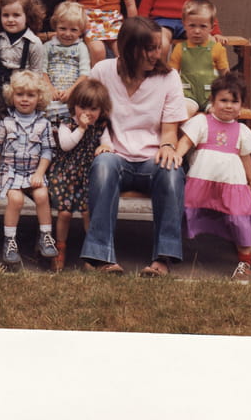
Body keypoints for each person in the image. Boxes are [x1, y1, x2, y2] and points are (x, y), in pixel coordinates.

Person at [80, 16, 187, 276]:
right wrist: (102, 140)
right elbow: (89, 112)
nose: (156, 54)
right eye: (149, 48)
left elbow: (170, 129)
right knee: (103, 165)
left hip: (151, 160)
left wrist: (167, 145)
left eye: (158, 47)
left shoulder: (169, 77)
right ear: (129, 48)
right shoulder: (102, 71)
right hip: (115, 155)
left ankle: (163, 258)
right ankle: (101, 258)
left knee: (172, 170)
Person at [174, 71, 251, 283]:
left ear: (241, 105)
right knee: (188, 210)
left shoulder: (241, 129)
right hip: (202, 182)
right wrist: (177, 155)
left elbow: (245, 157)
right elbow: (186, 142)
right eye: (223, 100)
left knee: (237, 217)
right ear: (212, 101)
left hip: (232, 184)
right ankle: (172, 252)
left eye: (234, 102)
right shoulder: (201, 122)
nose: (228, 106)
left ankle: (244, 261)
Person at [0, 69, 58, 267]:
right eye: (20, 94)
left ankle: (46, 236)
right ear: (12, 96)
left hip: (34, 172)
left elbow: (47, 151)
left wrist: (40, 173)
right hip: (11, 172)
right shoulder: (6, 122)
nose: (25, 99)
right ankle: (10, 241)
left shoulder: (43, 123)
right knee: (16, 200)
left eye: (30, 95)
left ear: (39, 97)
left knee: (42, 195)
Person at [47, 78, 112, 272]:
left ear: (101, 109)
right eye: (82, 107)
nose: (87, 113)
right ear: (73, 105)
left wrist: (104, 146)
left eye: (93, 109)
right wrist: (82, 128)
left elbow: (107, 143)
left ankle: (92, 251)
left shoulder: (101, 125)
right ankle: (60, 247)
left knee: (87, 213)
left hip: (87, 175)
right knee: (65, 213)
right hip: (65, 174)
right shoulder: (67, 123)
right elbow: (66, 145)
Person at [168, 0, 229, 118]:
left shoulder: (217, 48)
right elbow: (172, 75)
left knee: (219, 114)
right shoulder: (180, 49)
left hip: (211, 97)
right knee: (182, 114)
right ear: (184, 24)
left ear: (211, 27)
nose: (197, 31)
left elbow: (226, 75)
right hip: (188, 95)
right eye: (192, 25)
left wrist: (226, 97)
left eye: (203, 26)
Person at [43, 0, 91, 123]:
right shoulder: (48, 46)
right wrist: (50, 88)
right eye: (62, 28)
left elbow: (85, 74)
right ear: (55, 26)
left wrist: (71, 91)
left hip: (72, 92)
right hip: (51, 92)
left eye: (73, 30)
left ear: (81, 31)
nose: (67, 34)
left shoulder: (81, 47)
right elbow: (42, 71)